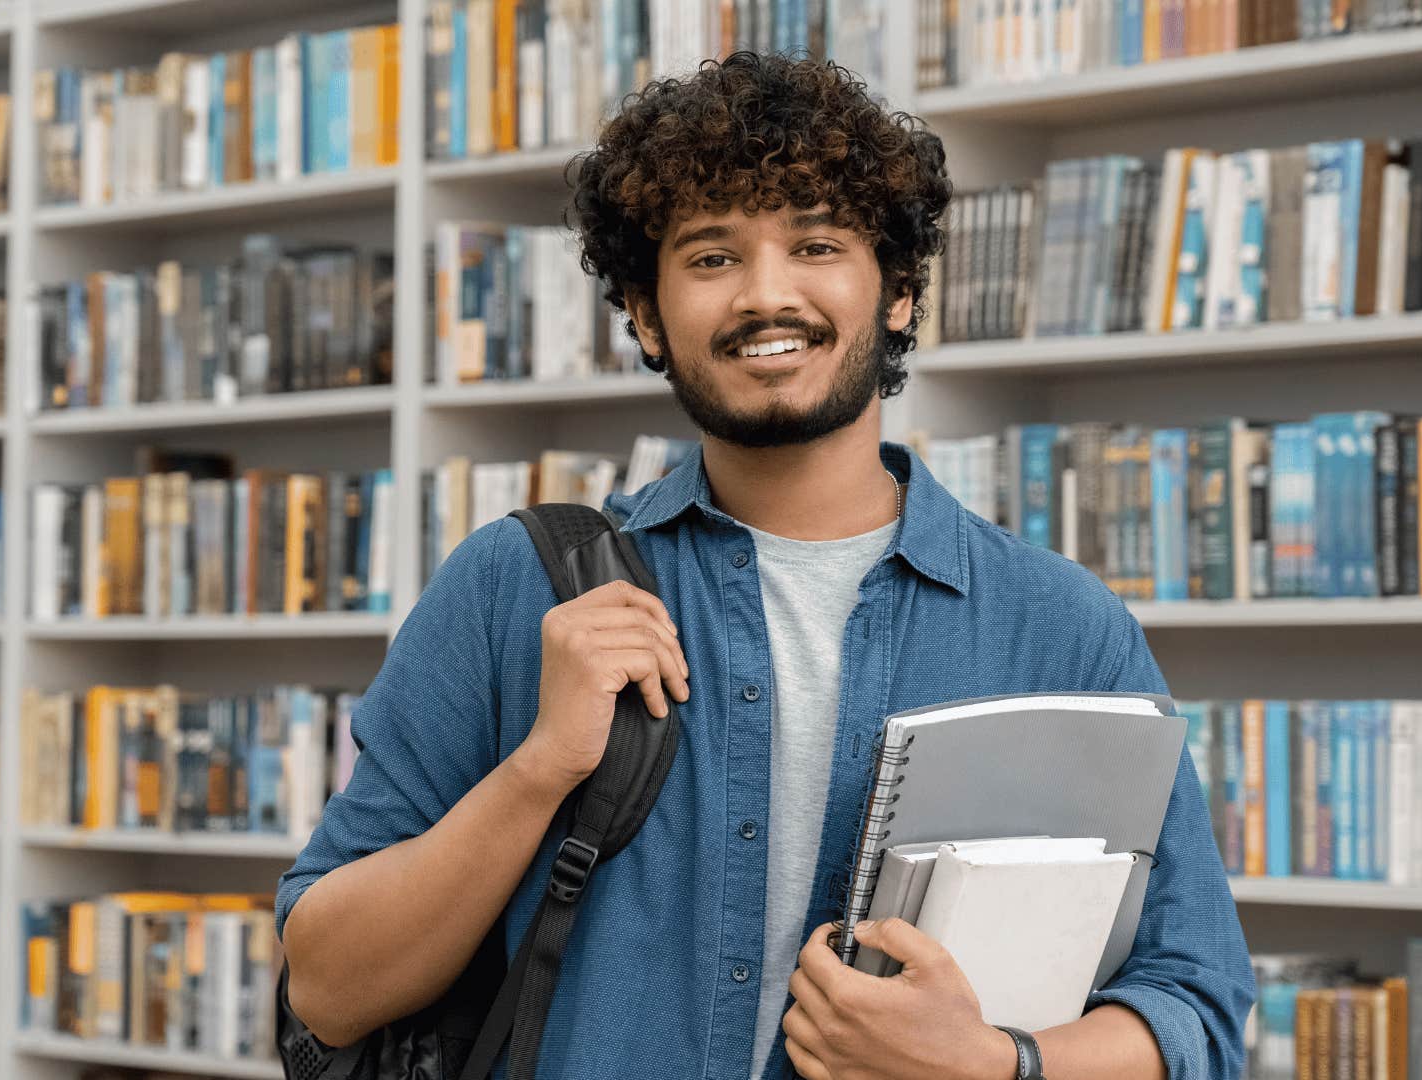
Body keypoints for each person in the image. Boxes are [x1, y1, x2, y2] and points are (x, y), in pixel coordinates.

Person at [277, 50, 1254, 1080]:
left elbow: (1193, 1015)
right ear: (648, 317)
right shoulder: (510, 588)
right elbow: (330, 990)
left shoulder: (1061, 629)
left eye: (818, 243)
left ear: (900, 296)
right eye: (710, 257)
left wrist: (989, 1062)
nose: (765, 295)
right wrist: (540, 771)